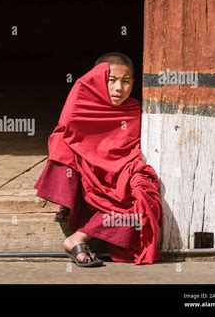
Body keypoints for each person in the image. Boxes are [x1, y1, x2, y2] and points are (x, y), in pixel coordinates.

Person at [34, 52, 163, 267]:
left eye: (126, 81)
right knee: (60, 142)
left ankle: (77, 238)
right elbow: (69, 121)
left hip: (117, 185)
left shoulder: (134, 111)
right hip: (86, 183)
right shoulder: (81, 110)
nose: (118, 88)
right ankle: (67, 203)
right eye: (111, 80)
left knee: (141, 202)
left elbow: (129, 156)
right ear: (96, 79)